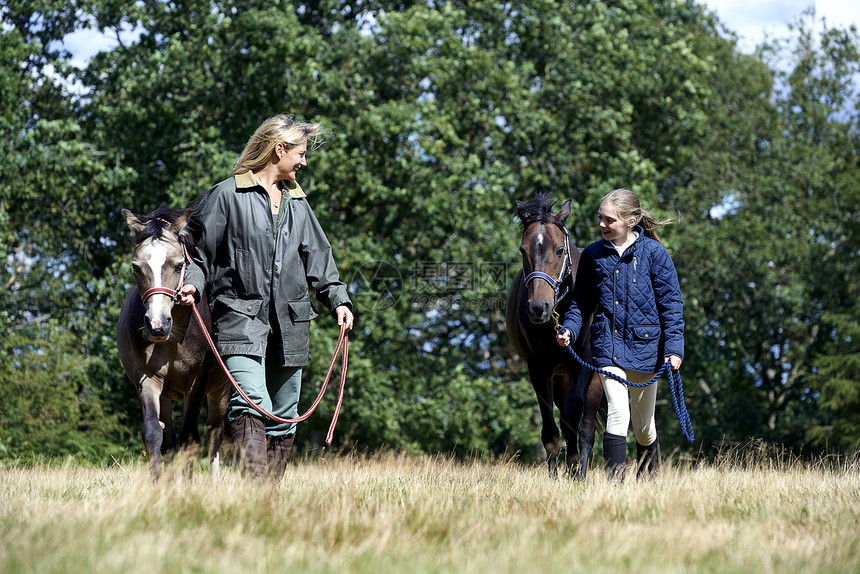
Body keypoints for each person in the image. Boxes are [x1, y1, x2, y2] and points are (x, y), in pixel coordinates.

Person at [178, 114, 354, 480]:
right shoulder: (227, 194)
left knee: (285, 414)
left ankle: (268, 503)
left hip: (291, 324)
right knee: (251, 402)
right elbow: (198, 252)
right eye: (301, 153)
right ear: (279, 150)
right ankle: (255, 491)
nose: (303, 162)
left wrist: (338, 300)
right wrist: (193, 282)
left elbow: (319, 259)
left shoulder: (299, 203)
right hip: (239, 320)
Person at [556, 189, 683, 481]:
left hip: (648, 350)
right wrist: (570, 330)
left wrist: (674, 349)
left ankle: (647, 480)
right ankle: (613, 487)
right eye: (599, 217)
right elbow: (580, 304)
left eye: (609, 220)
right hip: (608, 347)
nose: (601, 224)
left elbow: (672, 306)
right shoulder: (592, 255)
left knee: (644, 426)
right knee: (616, 412)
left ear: (631, 221)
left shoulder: (655, 254)